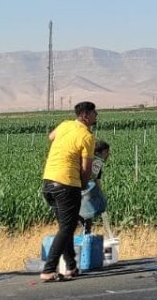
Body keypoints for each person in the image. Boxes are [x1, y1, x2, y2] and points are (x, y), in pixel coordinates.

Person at [40, 101, 98, 282]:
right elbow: (86, 168)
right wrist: (83, 184)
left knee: (66, 226)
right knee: (68, 227)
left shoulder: (65, 125)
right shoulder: (87, 136)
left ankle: (71, 267)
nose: (97, 116)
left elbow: (51, 136)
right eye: (95, 113)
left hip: (49, 181)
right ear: (85, 116)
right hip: (66, 183)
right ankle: (48, 269)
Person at [79, 140, 111, 235]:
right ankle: (86, 238)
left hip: (76, 188)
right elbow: (94, 179)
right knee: (86, 217)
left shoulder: (88, 158)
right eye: (106, 152)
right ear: (99, 152)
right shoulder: (97, 161)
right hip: (84, 191)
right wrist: (100, 194)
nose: (108, 154)